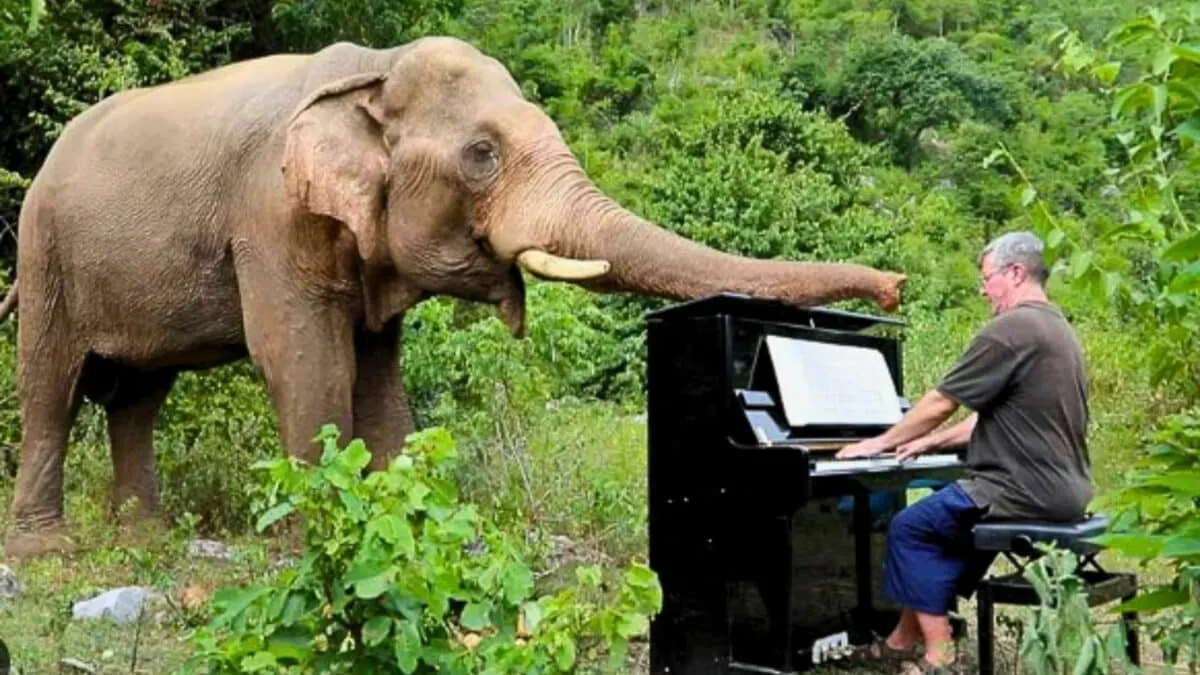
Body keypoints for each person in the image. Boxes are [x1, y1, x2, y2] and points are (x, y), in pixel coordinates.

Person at [834, 231, 1094, 675]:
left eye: (986, 278)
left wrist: (879, 443)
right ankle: (900, 643)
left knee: (910, 528)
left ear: (1015, 273)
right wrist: (929, 441)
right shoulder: (1057, 328)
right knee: (951, 534)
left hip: (1021, 488)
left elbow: (941, 402)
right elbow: (991, 415)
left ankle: (940, 656)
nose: (982, 289)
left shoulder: (1013, 327)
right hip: (1065, 489)